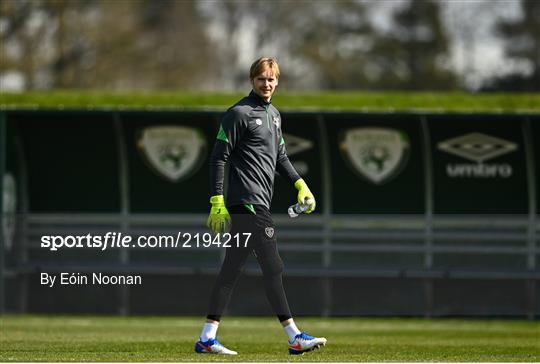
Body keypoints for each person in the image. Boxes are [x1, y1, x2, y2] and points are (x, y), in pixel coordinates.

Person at [194, 57, 327, 356]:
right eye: (260, 79)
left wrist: (299, 184)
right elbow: (218, 157)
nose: (266, 84)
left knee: (230, 271)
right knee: (273, 267)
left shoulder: (275, 116)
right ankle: (294, 336)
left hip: (257, 203)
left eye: (271, 79)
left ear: (277, 81)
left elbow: (280, 157)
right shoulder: (238, 113)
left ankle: (207, 337)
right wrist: (217, 200)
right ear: (251, 80)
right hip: (248, 203)